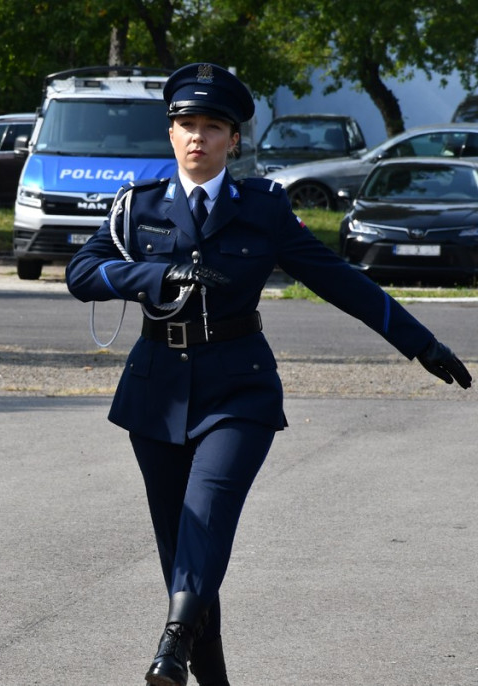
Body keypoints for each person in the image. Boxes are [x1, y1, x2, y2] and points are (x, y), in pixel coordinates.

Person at [65, 63, 471, 686]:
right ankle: (202, 669)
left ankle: (172, 642)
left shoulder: (264, 207)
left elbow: (340, 281)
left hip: (238, 389)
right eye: (185, 125)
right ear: (170, 133)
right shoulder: (136, 205)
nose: (197, 137)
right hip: (155, 391)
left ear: (234, 139)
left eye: (211, 127)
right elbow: (81, 273)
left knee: (207, 517)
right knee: (183, 551)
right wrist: (155, 276)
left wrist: (420, 342)